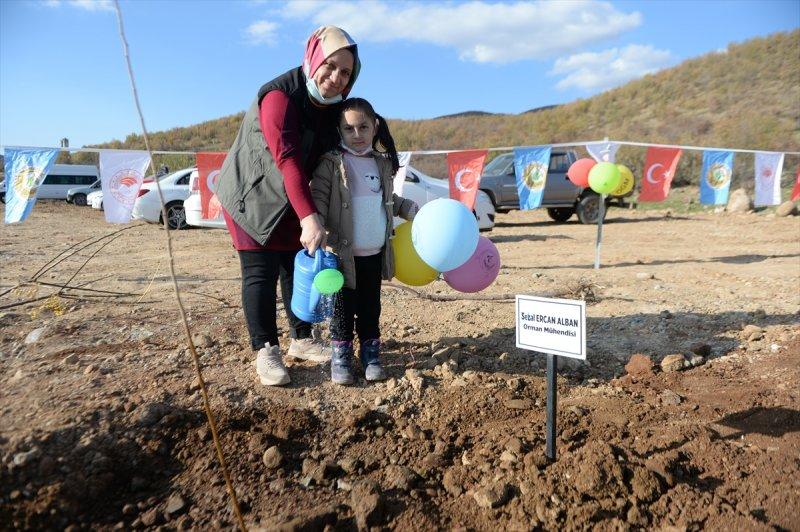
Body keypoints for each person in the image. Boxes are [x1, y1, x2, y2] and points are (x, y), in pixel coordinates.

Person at [215, 26, 360, 387]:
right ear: (312, 59)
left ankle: (302, 338)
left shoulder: (333, 109)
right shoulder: (279, 97)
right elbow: (288, 160)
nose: (336, 77)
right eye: (330, 65)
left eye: (346, 72)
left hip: (293, 197)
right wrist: (309, 217)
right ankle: (266, 348)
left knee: (296, 268)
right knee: (261, 271)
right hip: (252, 195)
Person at [311, 98, 419, 385]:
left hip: (375, 253)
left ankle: (370, 355)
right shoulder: (331, 164)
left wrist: (408, 209)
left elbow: (386, 200)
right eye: (349, 129)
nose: (356, 134)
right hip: (341, 256)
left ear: (375, 127)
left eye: (363, 127)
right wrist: (315, 224)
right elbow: (318, 199)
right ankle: (341, 357)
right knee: (342, 308)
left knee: (371, 307)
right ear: (339, 131)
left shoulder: (381, 164)